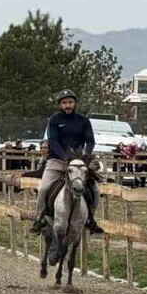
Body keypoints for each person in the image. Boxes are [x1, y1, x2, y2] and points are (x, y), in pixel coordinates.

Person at [30, 89, 103, 235]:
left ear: (75, 103)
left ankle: (91, 219)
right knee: (44, 188)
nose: (67, 105)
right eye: (64, 103)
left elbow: (90, 141)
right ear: (60, 105)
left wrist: (85, 156)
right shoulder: (54, 120)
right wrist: (65, 157)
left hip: (78, 162)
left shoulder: (84, 121)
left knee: (94, 189)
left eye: (70, 102)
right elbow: (53, 141)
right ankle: (39, 218)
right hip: (57, 160)